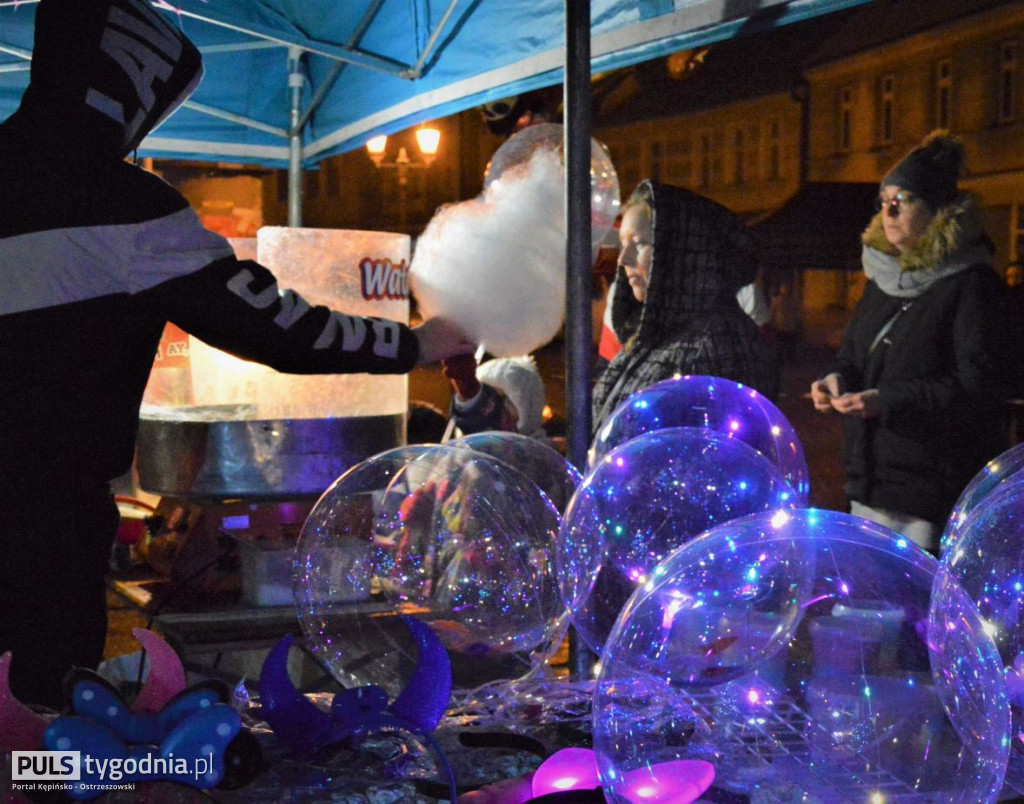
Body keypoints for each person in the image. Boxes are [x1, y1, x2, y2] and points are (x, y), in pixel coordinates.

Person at [0, 0, 473, 708]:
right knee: (38, 731)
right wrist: (412, 343)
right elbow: (277, 328)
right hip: (43, 530)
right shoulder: (127, 207)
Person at [810, 131, 1007, 553]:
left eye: (903, 200)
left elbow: (977, 384)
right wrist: (834, 379)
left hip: (930, 490)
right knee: (868, 606)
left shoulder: (971, 284)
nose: (889, 211)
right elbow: (853, 355)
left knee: (917, 609)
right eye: (883, 201)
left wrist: (887, 399)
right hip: (870, 480)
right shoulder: (882, 280)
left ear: (936, 211)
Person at [591, 180, 777, 430]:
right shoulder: (656, 336)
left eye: (641, 243)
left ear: (681, 252)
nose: (625, 259)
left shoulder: (715, 343)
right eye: (624, 244)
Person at [443, 354, 550, 442]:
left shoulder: (543, 459)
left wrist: (468, 385)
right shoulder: (454, 460)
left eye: (500, 398)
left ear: (529, 405)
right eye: (486, 394)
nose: (489, 408)